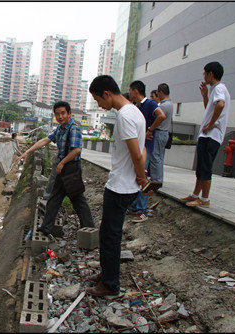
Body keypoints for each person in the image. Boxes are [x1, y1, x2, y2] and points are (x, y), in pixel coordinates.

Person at [86, 75, 148, 297]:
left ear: (107, 94)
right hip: (124, 184)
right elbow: (143, 148)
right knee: (107, 234)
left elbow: (137, 156)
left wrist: (141, 178)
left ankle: (110, 285)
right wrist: (140, 176)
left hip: (121, 187)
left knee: (111, 238)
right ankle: (106, 275)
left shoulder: (125, 116)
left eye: (98, 100)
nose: (99, 105)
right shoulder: (136, 112)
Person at [15, 101, 94, 237]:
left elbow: (76, 150)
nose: (60, 116)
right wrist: (28, 151)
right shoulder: (60, 128)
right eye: (57, 114)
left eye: (63, 113)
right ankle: (46, 227)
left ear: (69, 114)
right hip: (62, 168)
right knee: (54, 198)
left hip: (71, 168)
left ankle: (90, 229)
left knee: (77, 199)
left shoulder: (73, 128)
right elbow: (45, 140)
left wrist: (62, 163)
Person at [180, 61, 230, 207]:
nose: (204, 76)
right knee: (201, 166)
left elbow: (220, 105)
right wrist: (205, 96)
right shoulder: (215, 89)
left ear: (211, 74)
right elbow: (211, 108)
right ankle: (195, 195)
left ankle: (205, 199)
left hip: (211, 135)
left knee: (206, 166)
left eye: (205, 73)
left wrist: (210, 125)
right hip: (207, 135)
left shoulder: (219, 88)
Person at [127, 80, 166, 222]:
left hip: (146, 147)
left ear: (135, 91)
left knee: (142, 176)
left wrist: (150, 130)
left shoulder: (150, 104)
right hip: (138, 146)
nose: (129, 93)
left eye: (130, 91)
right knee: (136, 175)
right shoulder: (137, 106)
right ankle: (134, 206)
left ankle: (142, 210)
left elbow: (161, 115)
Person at [149, 83, 174, 184]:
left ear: (161, 92)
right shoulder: (170, 104)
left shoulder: (163, 106)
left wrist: (151, 129)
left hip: (160, 132)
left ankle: (157, 180)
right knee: (159, 156)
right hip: (164, 133)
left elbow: (161, 117)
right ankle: (158, 178)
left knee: (156, 157)